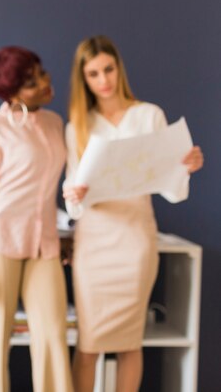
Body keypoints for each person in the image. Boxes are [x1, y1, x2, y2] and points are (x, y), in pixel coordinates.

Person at [62, 35, 204, 392]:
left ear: (118, 68)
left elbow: (172, 190)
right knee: (89, 344)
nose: (103, 79)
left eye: (108, 69)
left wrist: (184, 168)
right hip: (94, 243)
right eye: (93, 73)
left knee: (129, 342)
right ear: (84, 79)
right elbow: (73, 204)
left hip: (135, 239)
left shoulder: (149, 115)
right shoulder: (78, 125)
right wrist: (74, 193)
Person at [0, 46, 74, 392]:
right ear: (11, 92)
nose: (44, 82)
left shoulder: (55, 123)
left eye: (40, 72)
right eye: (31, 82)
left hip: (44, 244)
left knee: (53, 334)